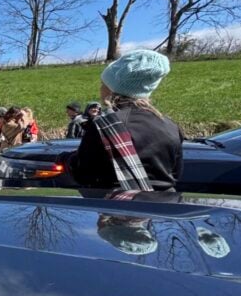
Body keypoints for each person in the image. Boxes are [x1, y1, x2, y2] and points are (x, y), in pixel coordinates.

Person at [66, 50, 182, 192]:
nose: (100, 89)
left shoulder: (105, 125)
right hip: (164, 206)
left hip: (119, 206)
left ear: (111, 89)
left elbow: (84, 175)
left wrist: (70, 160)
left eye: (103, 84)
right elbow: (175, 173)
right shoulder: (170, 126)